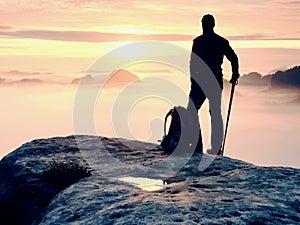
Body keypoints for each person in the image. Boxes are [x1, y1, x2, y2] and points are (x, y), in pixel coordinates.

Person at [188, 14, 240, 155]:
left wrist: (193, 79)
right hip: (213, 81)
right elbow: (233, 58)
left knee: (193, 110)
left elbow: (193, 63)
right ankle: (214, 148)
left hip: (201, 82)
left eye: (205, 23)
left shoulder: (198, 42)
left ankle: (194, 143)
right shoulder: (220, 42)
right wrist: (235, 74)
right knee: (214, 114)